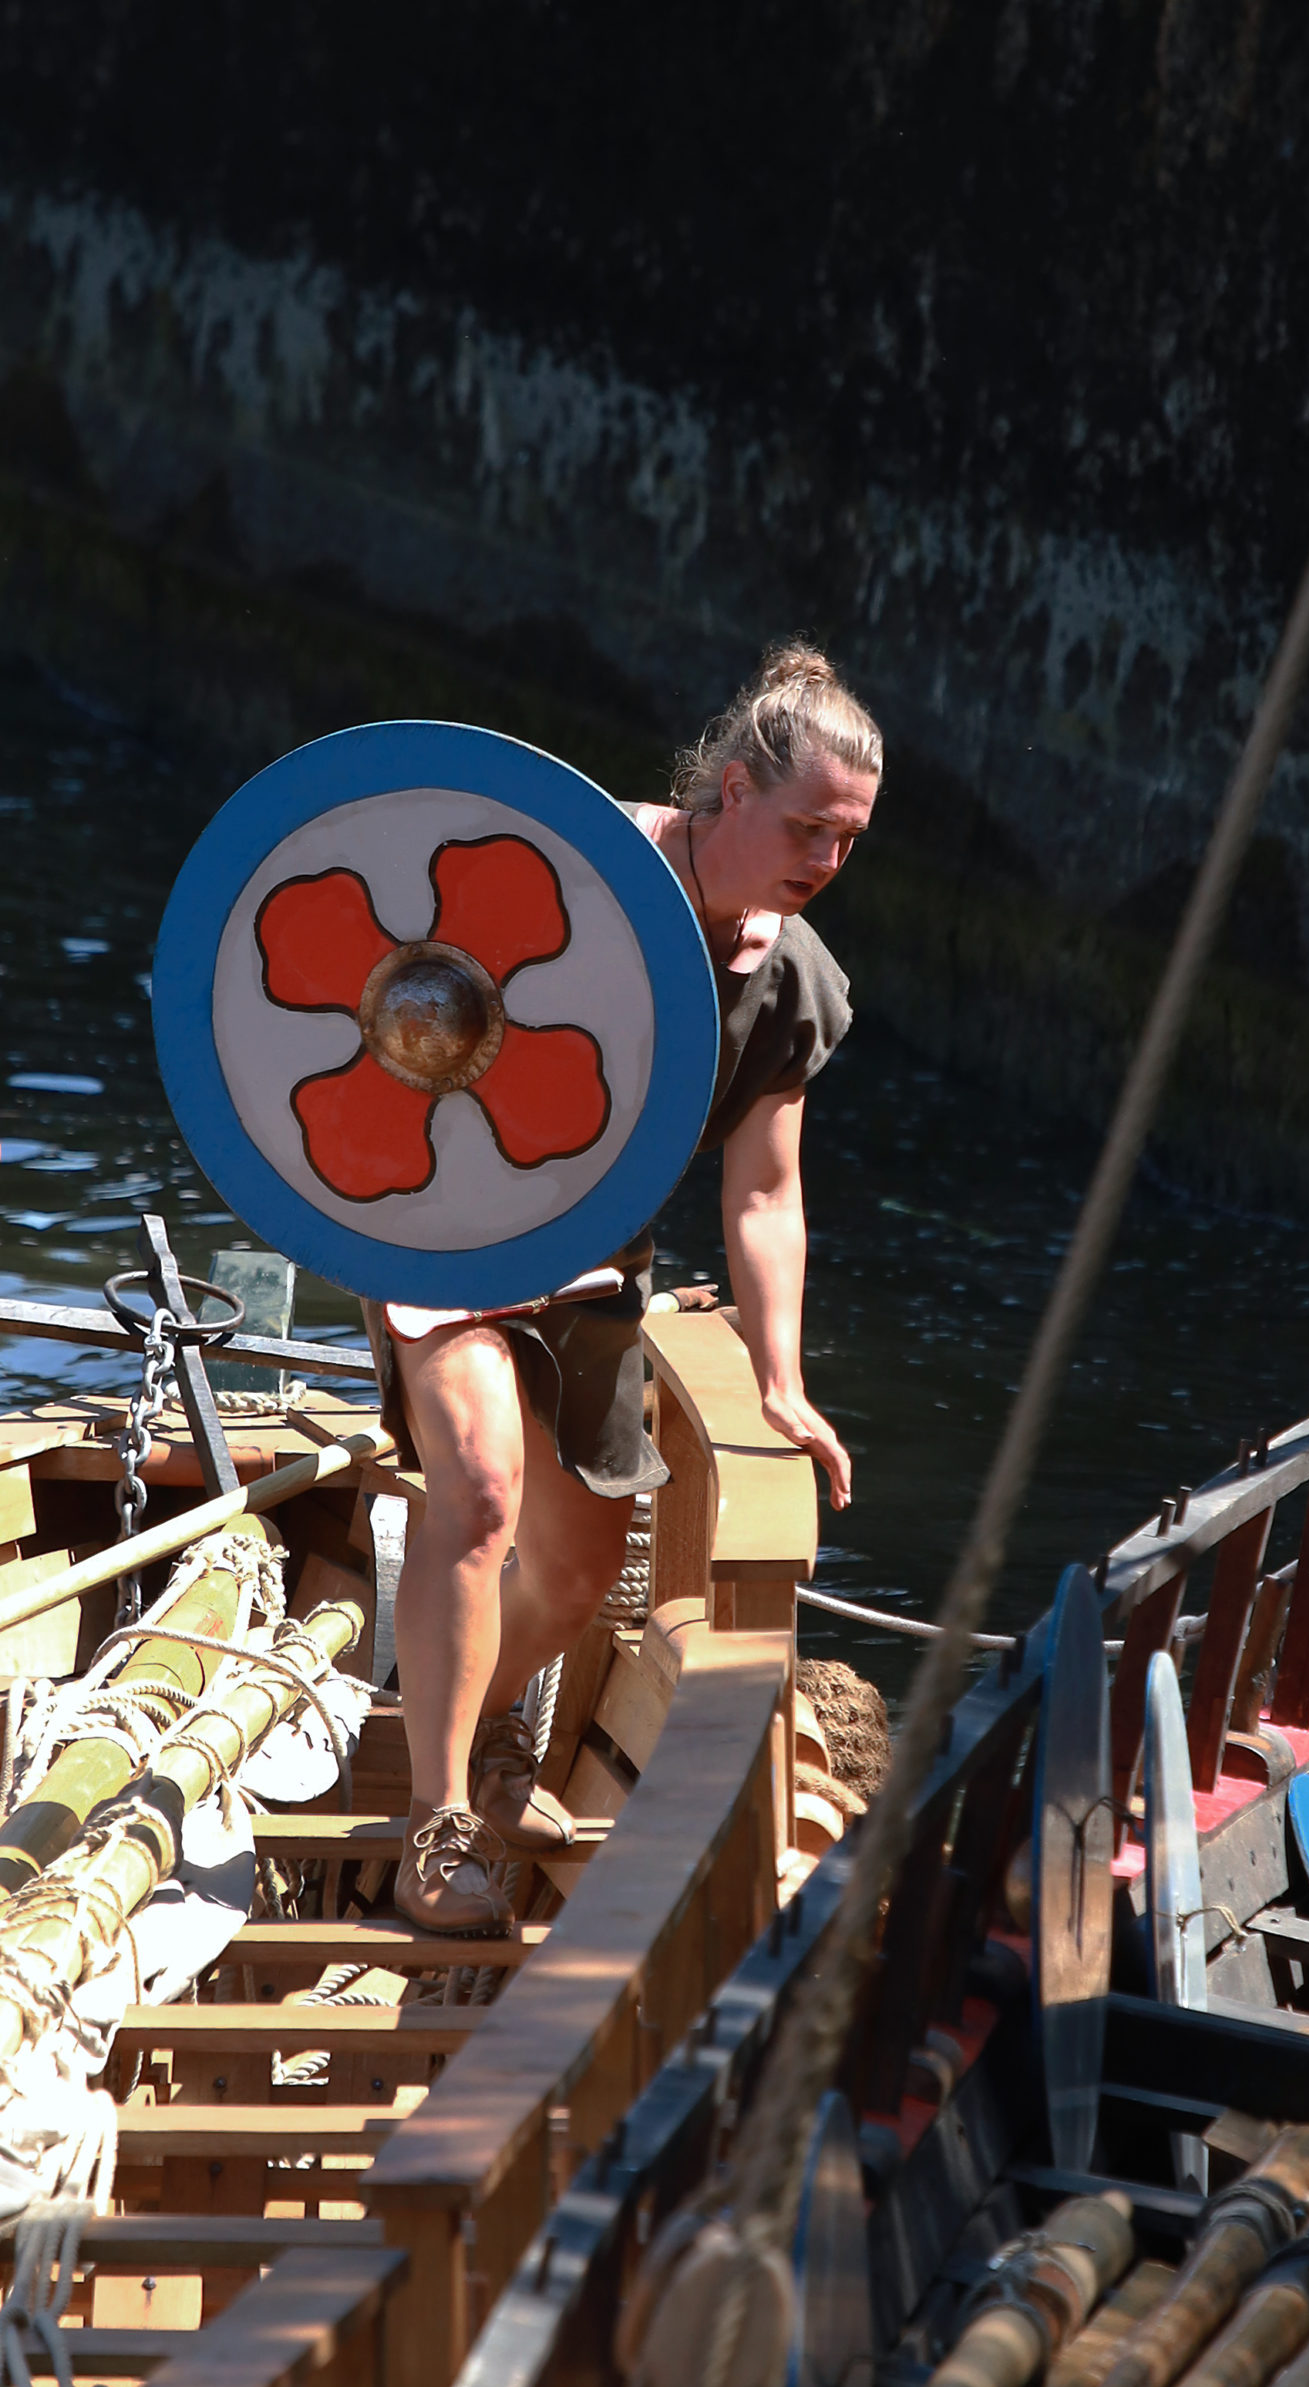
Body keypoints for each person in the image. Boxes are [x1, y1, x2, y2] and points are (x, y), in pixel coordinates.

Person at [367, 642, 882, 1932]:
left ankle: (469, 1726)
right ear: (728, 786)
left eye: (850, 839)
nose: (826, 859)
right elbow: (386, 1002)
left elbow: (763, 1193)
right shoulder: (568, 867)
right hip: (438, 1228)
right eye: (808, 825)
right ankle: (438, 1822)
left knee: (584, 1561)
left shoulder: (795, 982)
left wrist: (782, 1379)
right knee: (480, 1489)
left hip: (596, 1262)